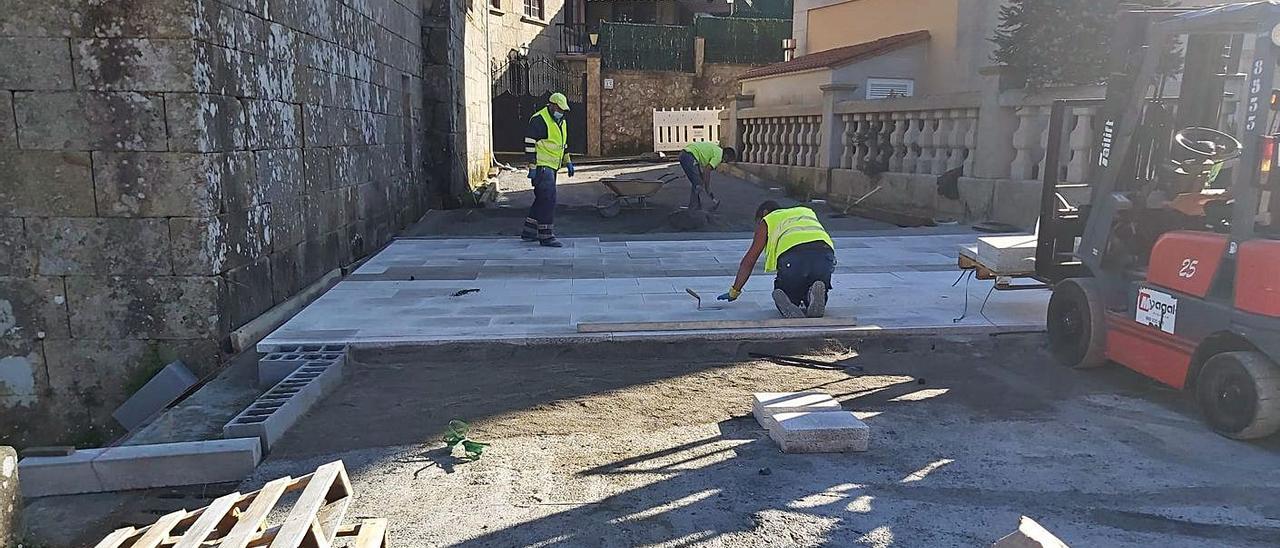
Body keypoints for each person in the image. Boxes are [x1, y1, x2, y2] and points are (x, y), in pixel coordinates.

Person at [718, 201, 836, 318]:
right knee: (815, 282)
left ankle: (790, 303)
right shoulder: (805, 211)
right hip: (825, 256)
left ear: (764, 213)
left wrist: (734, 291)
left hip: (794, 259)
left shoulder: (768, 220)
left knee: (786, 292)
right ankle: (813, 296)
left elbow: (749, 261)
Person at [521, 92, 575, 247]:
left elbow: (563, 145)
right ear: (551, 105)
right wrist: (532, 166)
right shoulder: (539, 119)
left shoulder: (562, 122)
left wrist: (568, 162)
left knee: (542, 198)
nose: (561, 112)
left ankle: (529, 231)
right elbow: (530, 144)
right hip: (542, 166)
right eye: (559, 109)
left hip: (553, 166)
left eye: (563, 110)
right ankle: (546, 235)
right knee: (549, 199)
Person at [678, 141, 737, 211]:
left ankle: (696, 207)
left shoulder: (716, 150)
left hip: (685, 154)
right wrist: (707, 187)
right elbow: (707, 170)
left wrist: (703, 180)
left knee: (697, 182)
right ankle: (693, 209)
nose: (725, 162)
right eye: (728, 160)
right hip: (689, 156)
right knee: (698, 183)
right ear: (726, 156)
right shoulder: (719, 156)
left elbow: (704, 172)